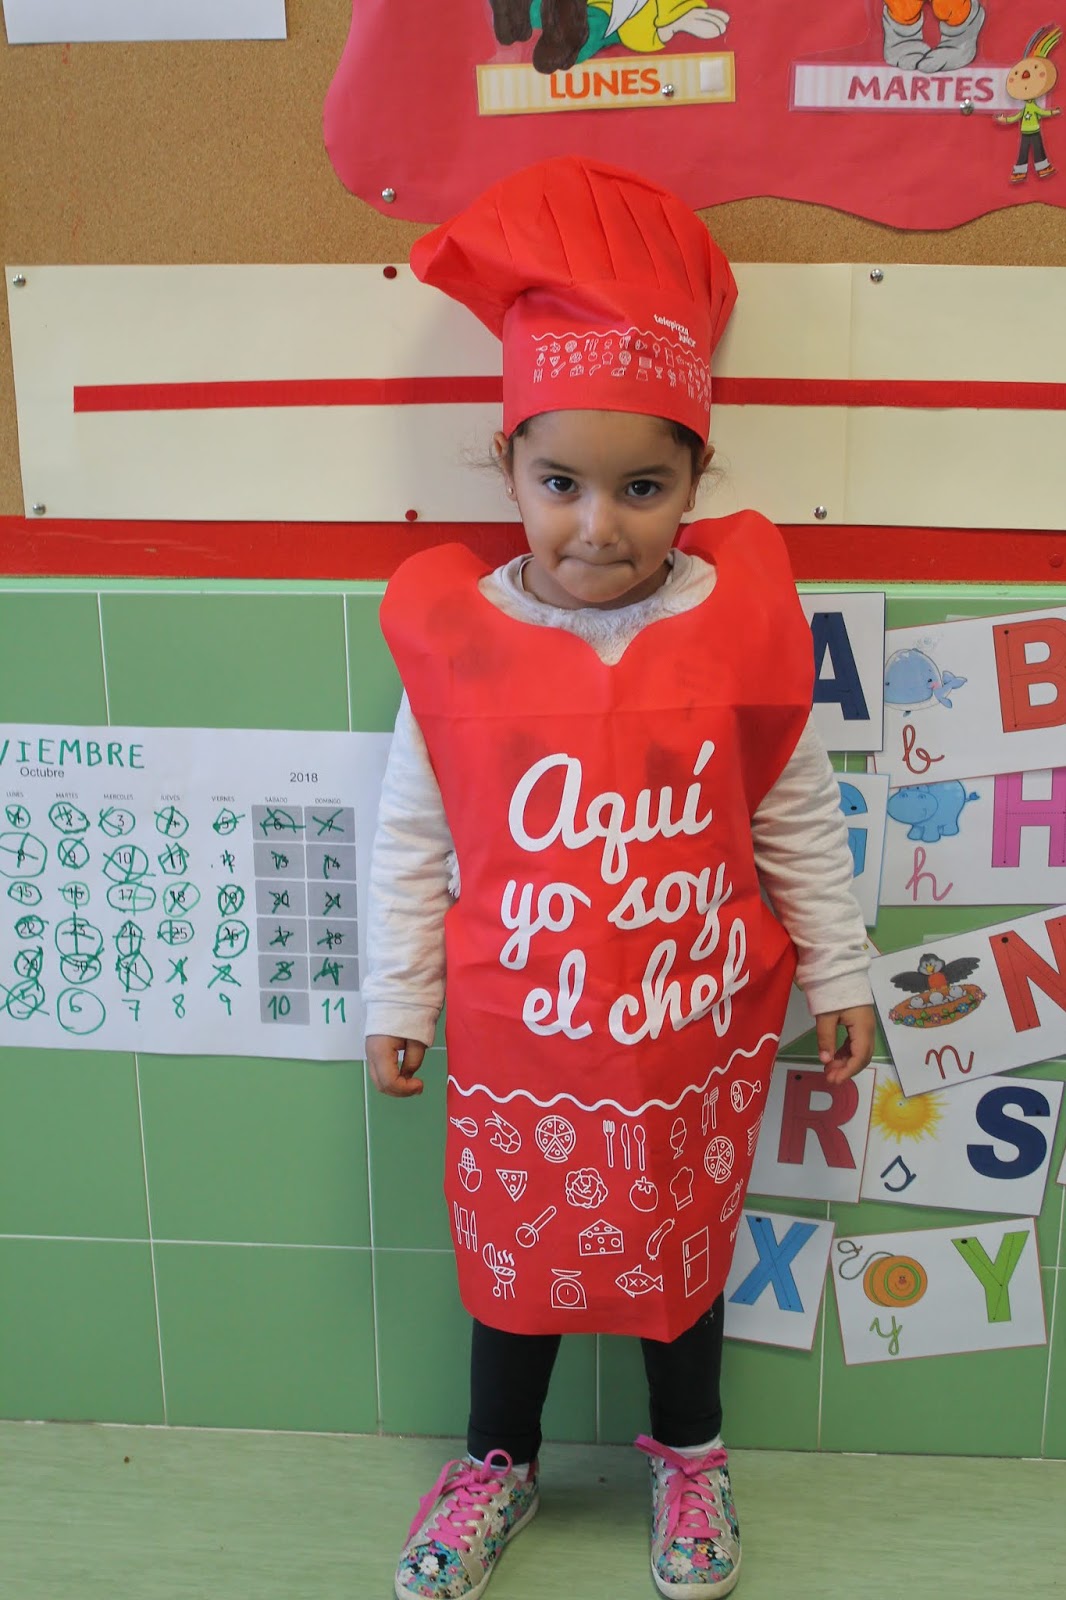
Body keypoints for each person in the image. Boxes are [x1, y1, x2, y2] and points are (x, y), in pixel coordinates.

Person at [363, 155, 875, 1600]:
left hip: (688, 1038)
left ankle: (691, 1455)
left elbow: (794, 816)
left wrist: (840, 967)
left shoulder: (745, 631)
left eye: (643, 488)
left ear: (697, 480)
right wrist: (397, 996)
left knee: (678, 1258)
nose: (599, 526)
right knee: (516, 1266)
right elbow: (413, 834)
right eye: (562, 485)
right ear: (509, 469)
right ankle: (495, 1462)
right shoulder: (455, 645)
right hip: (521, 1036)